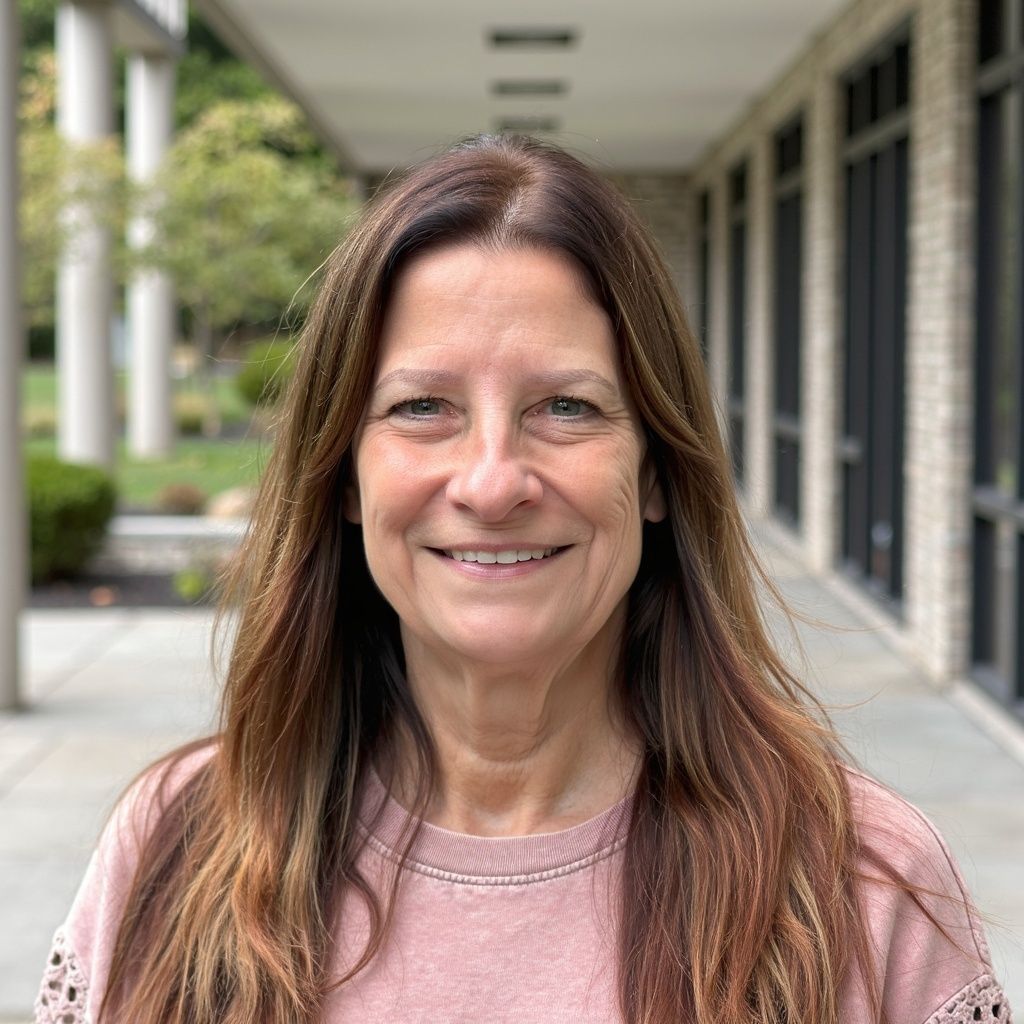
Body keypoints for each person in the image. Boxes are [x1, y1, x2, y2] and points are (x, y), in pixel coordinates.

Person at [36, 134, 1012, 1024]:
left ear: (658, 472)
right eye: (422, 405)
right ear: (343, 475)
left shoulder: (862, 883)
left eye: (566, 408)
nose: (493, 481)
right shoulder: (173, 850)